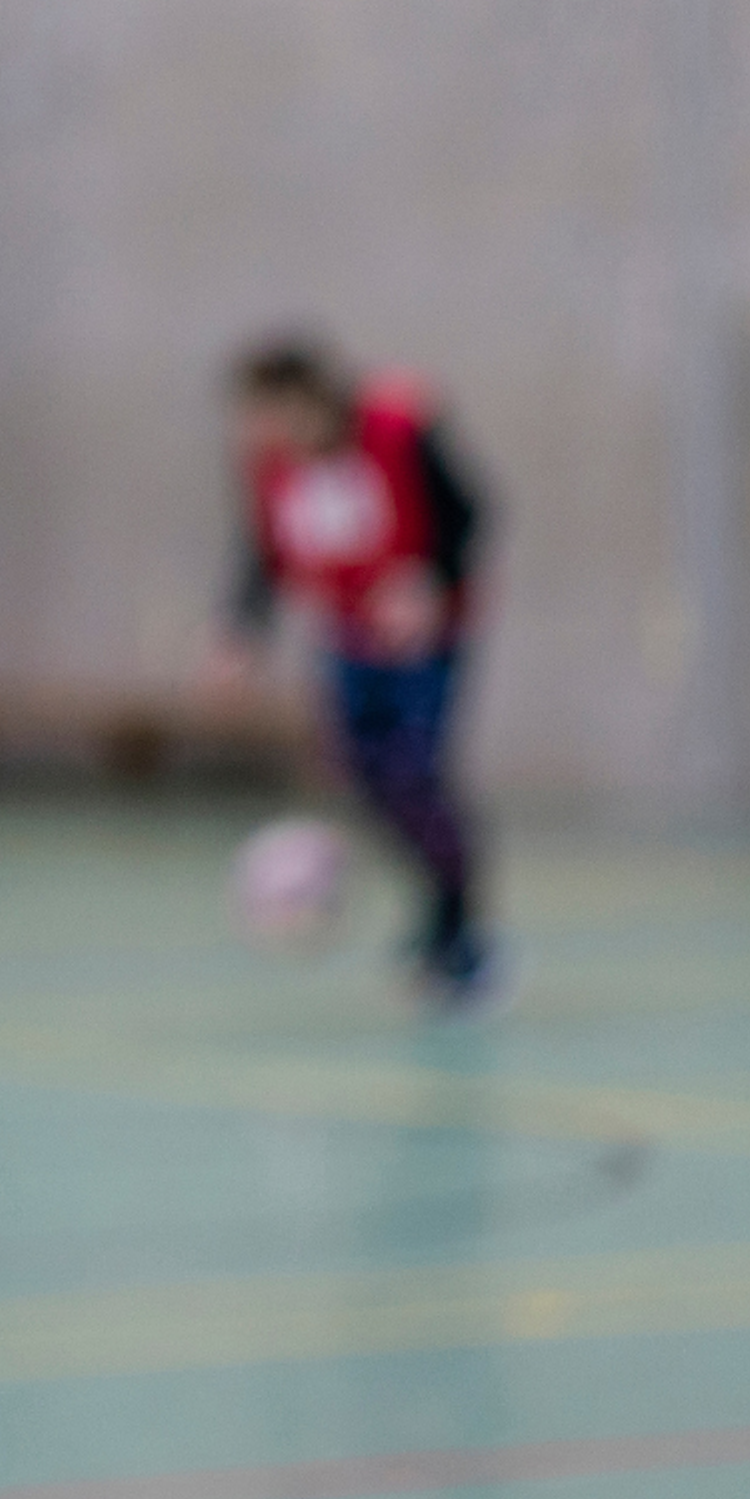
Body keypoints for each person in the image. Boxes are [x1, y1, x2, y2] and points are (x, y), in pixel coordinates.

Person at [208, 335, 508, 1014]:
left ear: (307, 400)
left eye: (269, 413)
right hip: (349, 637)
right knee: (365, 777)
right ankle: (438, 913)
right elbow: (264, 552)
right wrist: (240, 631)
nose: (263, 432)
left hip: (425, 638)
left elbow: (471, 513)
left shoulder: (397, 431)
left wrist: (427, 582)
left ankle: (460, 935)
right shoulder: (274, 467)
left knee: (414, 775)